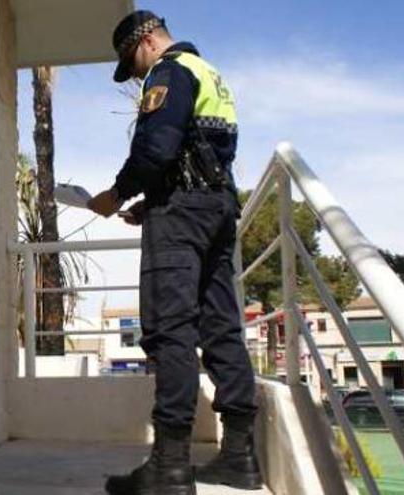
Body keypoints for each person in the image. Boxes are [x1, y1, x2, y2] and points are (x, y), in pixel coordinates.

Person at [87, 10, 263, 495]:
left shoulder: (169, 71)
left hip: (183, 219)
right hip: (217, 209)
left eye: (133, 64)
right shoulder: (211, 74)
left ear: (145, 43)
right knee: (222, 327)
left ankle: (170, 467)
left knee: (171, 332)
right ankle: (240, 459)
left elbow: (157, 148)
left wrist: (116, 195)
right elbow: (199, 153)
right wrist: (152, 202)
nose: (138, 75)